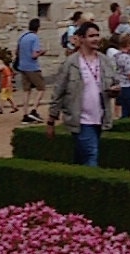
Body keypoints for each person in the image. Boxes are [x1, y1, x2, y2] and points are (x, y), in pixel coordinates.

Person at [46, 20, 114, 165]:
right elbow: (58, 91)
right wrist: (51, 120)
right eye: (91, 36)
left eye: (97, 35)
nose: (96, 39)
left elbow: (114, 82)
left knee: (81, 155)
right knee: (91, 154)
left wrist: (115, 90)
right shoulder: (71, 63)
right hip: (81, 119)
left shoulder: (105, 61)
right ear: (82, 38)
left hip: (100, 117)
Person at [16, 16, 47, 122]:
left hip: (22, 66)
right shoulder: (34, 38)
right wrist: (41, 52)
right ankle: (34, 110)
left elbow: (17, 52)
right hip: (32, 67)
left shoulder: (22, 36)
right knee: (41, 88)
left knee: (26, 91)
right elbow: (34, 55)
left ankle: (25, 114)